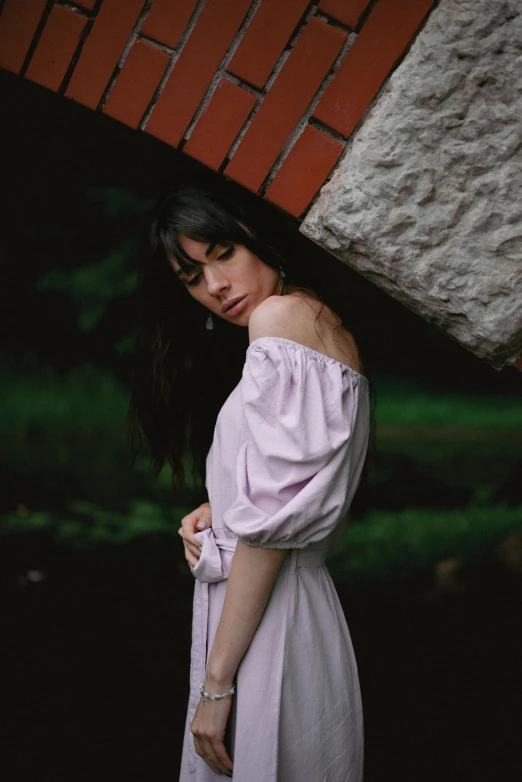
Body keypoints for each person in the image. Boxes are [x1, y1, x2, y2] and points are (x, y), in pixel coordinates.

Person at [129, 176, 372, 781]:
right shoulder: (311, 317)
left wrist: (216, 685)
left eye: (222, 255)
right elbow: (289, 492)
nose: (215, 287)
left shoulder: (280, 321)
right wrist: (221, 507)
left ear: (255, 236)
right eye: (192, 278)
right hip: (284, 616)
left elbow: (270, 531)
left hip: (270, 627)